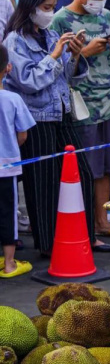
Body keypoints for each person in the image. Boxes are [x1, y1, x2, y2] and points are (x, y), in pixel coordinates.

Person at [4, 0, 99, 256]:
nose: (49, 12)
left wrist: (75, 55)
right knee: (42, 183)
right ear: (31, 7)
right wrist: (56, 55)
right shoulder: (14, 40)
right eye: (46, 7)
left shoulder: (48, 35)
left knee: (83, 173)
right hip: (37, 119)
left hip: (62, 112)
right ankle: (47, 245)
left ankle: (85, 237)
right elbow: (28, 80)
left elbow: (66, 76)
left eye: (52, 7)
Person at [51, 0, 110, 238]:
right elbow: (56, 67)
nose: (99, 2)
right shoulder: (60, 20)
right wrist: (85, 50)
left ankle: (102, 220)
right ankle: (84, 225)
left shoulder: (108, 16)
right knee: (88, 167)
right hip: (82, 104)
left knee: (108, 166)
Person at [0, 44, 35, 277]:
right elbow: (23, 133)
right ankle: (10, 263)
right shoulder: (12, 99)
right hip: (7, 166)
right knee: (7, 213)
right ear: (8, 68)